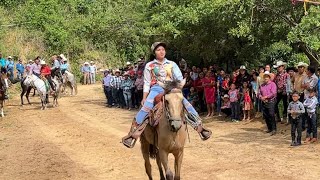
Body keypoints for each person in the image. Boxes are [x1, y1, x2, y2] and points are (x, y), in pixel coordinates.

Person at [122, 42, 211, 148]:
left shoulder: (172, 64)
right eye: (158, 50)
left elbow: (178, 78)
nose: (161, 51)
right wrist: (144, 97)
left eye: (163, 49)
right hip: (156, 89)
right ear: (154, 52)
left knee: (187, 104)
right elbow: (146, 82)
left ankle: (200, 127)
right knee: (145, 108)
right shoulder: (149, 66)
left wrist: (177, 87)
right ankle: (133, 134)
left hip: (172, 88)